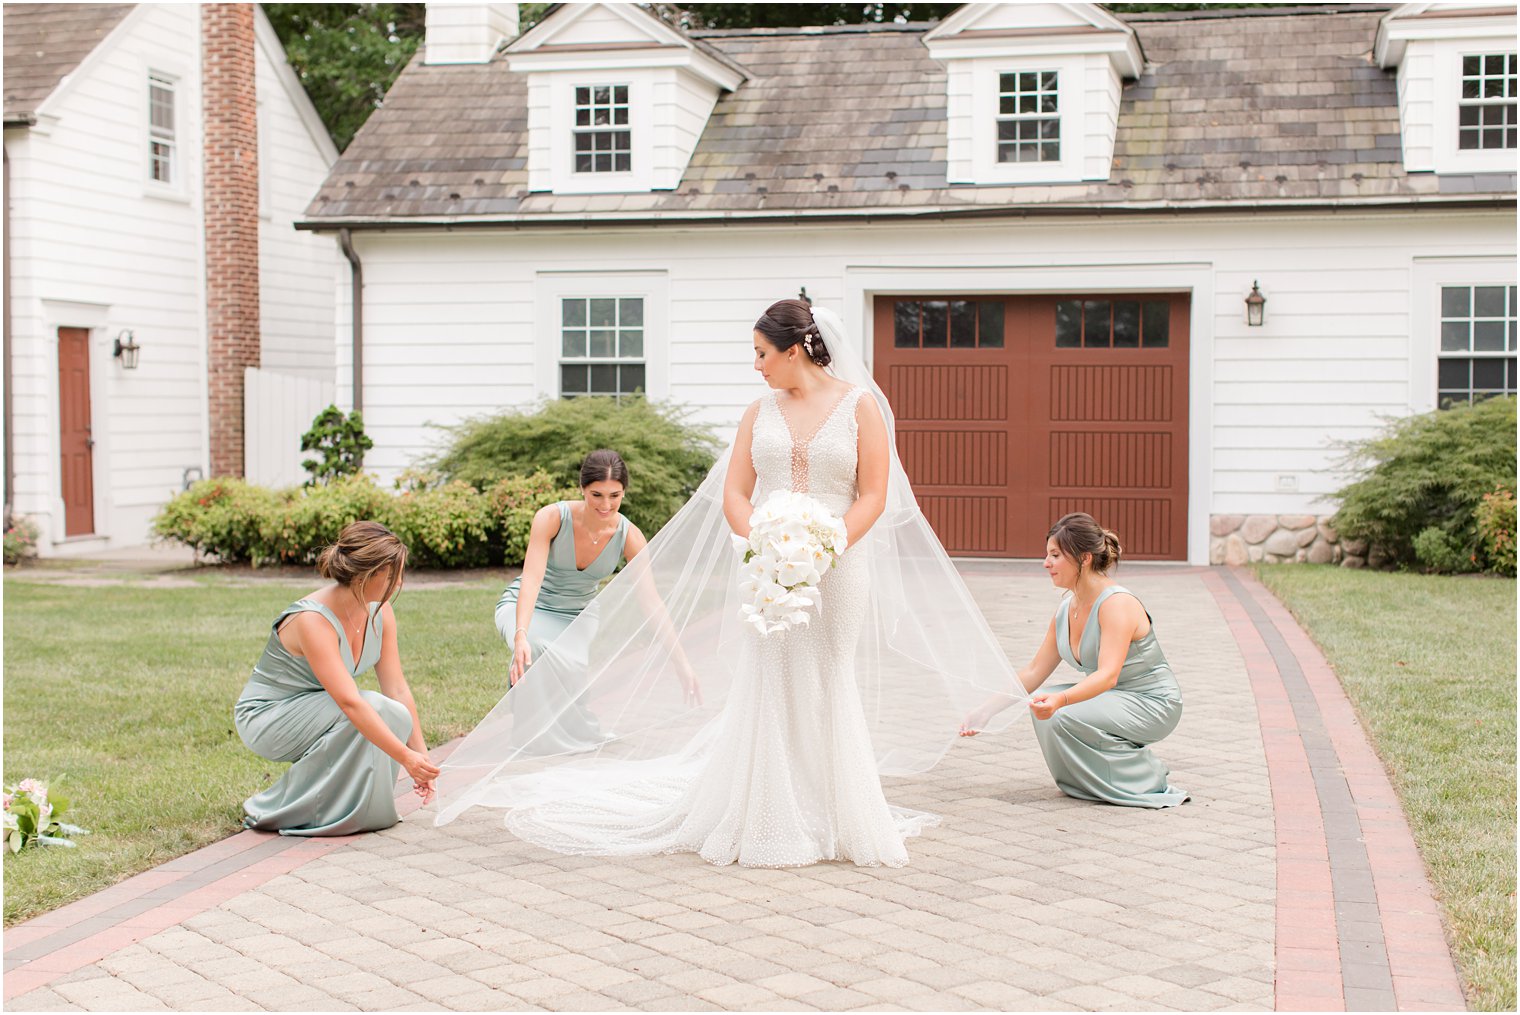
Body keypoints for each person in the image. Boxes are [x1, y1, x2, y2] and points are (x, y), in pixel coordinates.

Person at [435, 299, 1025, 867]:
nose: (756, 364)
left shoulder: (859, 407)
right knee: (770, 676)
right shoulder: (758, 411)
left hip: (840, 565)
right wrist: (763, 542)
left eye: (762, 352)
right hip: (767, 564)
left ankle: (838, 813)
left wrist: (830, 545)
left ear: (796, 350)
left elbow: (873, 493)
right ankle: (769, 815)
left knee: (826, 674)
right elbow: (735, 493)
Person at [960, 513, 1187, 809]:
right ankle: (1085, 784)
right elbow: (1034, 670)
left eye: (1055, 555)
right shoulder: (1068, 606)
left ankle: (1145, 777)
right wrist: (985, 712)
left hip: (1153, 703)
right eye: (1047, 555)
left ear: (1085, 558)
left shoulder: (1117, 603)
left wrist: (1061, 702)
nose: (1046, 563)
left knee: (1060, 709)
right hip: (1115, 698)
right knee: (1043, 702)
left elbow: (1107, 676)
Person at [234, 521, 439, 835]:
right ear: (366, 575)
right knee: (371, 706)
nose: (399, 582)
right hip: (268, 717)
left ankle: (358, 809)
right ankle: (286, 807)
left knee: (395, 714)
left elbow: (397, 688)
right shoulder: (312, 619)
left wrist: (422, 757)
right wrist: (405, 758)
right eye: (393, 574)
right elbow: (349, 703)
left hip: (319, 707)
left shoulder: (380, 611)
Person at [492, 449, 649, 751]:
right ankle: (529, 738)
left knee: (570, 672)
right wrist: (520, 633)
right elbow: (531, 579)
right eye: (597, 494)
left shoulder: (630, 535)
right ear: (582, 488)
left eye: (615, 495)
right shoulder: (551, 517)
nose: (606, 505)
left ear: (624, 491)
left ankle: (573, 734)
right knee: (534, 648)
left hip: (579, 614)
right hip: (527, 605)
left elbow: (651, 600)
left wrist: (681, 661)